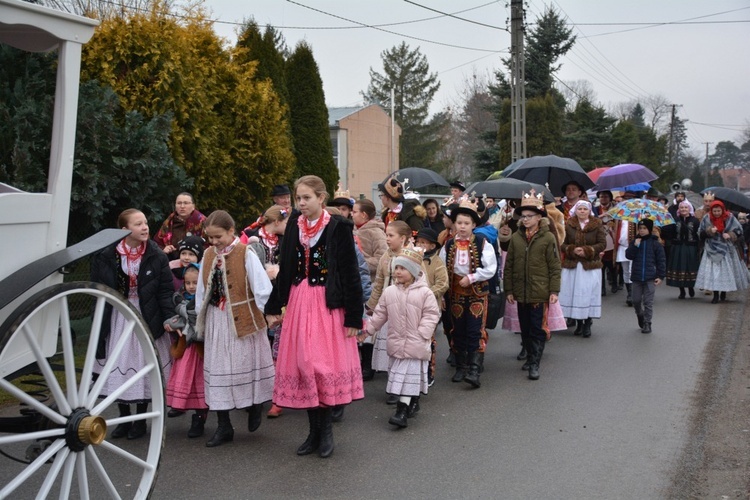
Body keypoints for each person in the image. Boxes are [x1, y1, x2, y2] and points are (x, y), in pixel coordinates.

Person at [265, 175, 364, 459]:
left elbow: (349, 274)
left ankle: (327, 432)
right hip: (299, 302)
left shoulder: (338, 228)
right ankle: (313, 433)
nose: (302, 203)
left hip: (327, 305)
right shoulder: (295, 228)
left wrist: (354, 318)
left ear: (322, 198)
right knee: (305, 366)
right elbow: (285, 269)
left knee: (321, 367)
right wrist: (274, 306)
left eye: (307, 197)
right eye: (299, 198)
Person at [91, 209, 174, 440]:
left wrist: (168, 317)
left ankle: (139, 420)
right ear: (125, 229)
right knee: (119, 362)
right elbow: (97, 288)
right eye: (138, 224)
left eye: (146, 223)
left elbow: (165, 290)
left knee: (143, 364)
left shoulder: (156, 255)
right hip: (118, 314)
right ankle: (123, 417)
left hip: (147, 314)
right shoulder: (107, 255)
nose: (145, 227)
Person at [195, 210, 275, 447]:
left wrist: (269, 313)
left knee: (244, 365)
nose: (214, 242)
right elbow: (201, 290)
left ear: (231, 231)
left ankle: (253, 405)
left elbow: (261, 287)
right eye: (210, 238)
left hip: (243, 319)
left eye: (218, 236)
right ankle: (224, 425)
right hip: (217, 319)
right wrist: (199, 317)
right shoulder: (209, 254)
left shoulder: (245, 253)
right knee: (218, 369)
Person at [362, 247, 440, 428]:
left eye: (402, 268)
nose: (397, 272)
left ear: (413, 271)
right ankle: (412, 401)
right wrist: (368, 331)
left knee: (408, 377)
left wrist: (423, 333)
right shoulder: (390, 292)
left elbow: (432, 314)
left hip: (416, 343)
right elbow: (380, 313)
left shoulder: (425, 293)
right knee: (401, 377)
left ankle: (401, 411)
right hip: (397, 342)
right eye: (396, 268)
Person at [439, 197, 497, 388]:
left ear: (473, 225)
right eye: (459, 223)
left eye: (466, 223)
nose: (462, 227)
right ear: (454, 224)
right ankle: (461, 366)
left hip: (476, 293)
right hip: (454, 293)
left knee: (475, 330)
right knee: (458, 330)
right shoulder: (448, 245)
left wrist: (471, 278)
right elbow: (441, 271)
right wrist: (441, 294)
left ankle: (474, 369)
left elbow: (491, 268)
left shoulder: (482, 243)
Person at [504, 190, 561, 380]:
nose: (526, 219)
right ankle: (529, 355)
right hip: (521, 291)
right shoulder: (516, 238)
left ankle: (535, 362)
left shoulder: (548, 238)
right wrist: (509, 289)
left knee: (537, 328)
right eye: (523, 216)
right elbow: (509, 265)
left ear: (539, 217)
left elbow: (554, 266)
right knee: (525, 327)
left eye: (530, 216)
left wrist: (554, 290)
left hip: (539, 290)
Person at [241, 205, 290, 418]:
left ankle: (277, 393)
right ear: (277, 221)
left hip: (279, 296)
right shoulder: (252, 238)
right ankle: (255, 393)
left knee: (277, 346)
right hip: (256, 296)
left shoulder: (285, 240)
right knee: (258, 344)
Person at [164, 263, 209, 437]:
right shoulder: (180, 301)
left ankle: (200, 416)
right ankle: (185, 407)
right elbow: (176, 319)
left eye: (195, 283)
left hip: (200, 348)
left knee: (200, 381)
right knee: (185, 378)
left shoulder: (204, 302)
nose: (191, 286)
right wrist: (170, 324)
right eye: (188, 283)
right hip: (186, 347)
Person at [367, 221, 412, 393]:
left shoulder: (412, 256)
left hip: (406, 309)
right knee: (391, 348)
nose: (387, 239)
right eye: (386, 235)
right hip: (388, 306)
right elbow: (379, 282)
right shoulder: (386, 256)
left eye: (391, 235)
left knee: (403, 349)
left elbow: (421, 283)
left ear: (403, 238)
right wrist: (372, 304)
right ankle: (393, 383)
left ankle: (402, 386)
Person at [559, 200, 606, 338]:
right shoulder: (569, 224)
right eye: (580, 209)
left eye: (585, 209)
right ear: (576, 210)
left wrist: (588, 250)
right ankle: (578, 322)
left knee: (588, 293)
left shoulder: (597, 224)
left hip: (590, 266)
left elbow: (602, 244)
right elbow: (562, 243)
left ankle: (588, 322)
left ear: (589, 211)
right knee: (574, 293)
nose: (582, 211)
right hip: (572, 264)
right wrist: (572, 249)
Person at [695, 200, 750, 303]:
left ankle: (723, 292)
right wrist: (709, 231)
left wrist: (730, 234)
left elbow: (739, 230)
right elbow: (700, 233)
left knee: (726, 272)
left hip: (727, 249)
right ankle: (715, 295)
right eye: (714, 211)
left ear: (722, 210)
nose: (716, 213)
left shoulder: (730, 218)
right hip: (711, 249)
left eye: (718, 211)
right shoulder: (706, 218)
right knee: (713, 273)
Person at [414, 228, 449, 386]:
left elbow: (443, 284)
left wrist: (426, 293)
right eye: (418, 242)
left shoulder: (436, 262)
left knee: (428, 340)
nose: (420, 245)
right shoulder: (412, 258)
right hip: (412, 307)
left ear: (433, 245)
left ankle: (429, 370)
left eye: (424, 242)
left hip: (430, 308)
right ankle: (414, 371)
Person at [625, 219, 666, 334]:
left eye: (644, 229)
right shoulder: (635, 242)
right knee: (636, 300)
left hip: (650, 277)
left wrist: (660, 276)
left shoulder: (655, 244)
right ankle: (640, 314)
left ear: (649, 229)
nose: (642, 231)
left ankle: (647, 323)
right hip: (637, 277)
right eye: (640, 228)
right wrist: (635, 246)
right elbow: (628, 255)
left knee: (648, 302)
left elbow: (661, 260)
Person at [662, 200, 700, 299]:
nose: (683, 209)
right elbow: (668, 233)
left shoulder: (695, 221)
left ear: (689, 209)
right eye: (681, 207)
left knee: (690, 267)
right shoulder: (674, 220)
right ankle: (682, 290)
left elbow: (698, 234)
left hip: (691, 248)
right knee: (679, 268)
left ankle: (691, 287)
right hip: (678, 248)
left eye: (685, 207)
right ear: (679, 209)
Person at [155, 193, 207, 261]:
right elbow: (157, 243)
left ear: (193, 206)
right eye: (179, 203)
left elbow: (210, 244)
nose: (182, 206)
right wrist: (164, 249)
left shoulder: (202, 222)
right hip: (171, 263)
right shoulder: (168, 222)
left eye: (186, 203)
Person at [352, 199, 387, 282]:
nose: (351, 214)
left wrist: (358, 262)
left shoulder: (376, 233)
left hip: (370, 281)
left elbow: (382, 259)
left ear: (364, 214)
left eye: (354, 212)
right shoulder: (351, 230)